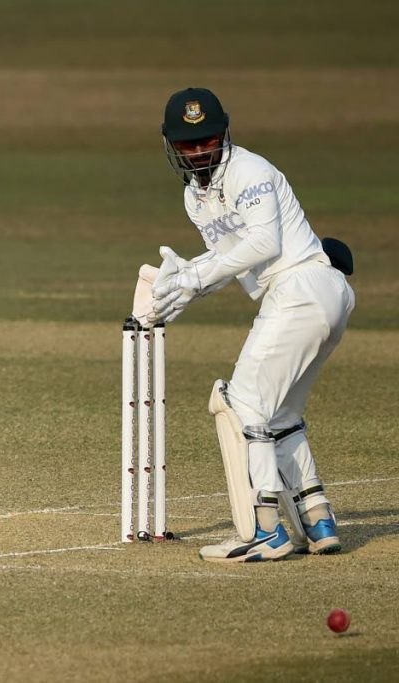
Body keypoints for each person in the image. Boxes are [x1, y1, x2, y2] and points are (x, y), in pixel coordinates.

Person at [149, 87, 354, 563]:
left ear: (224, 133)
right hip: (306, 296)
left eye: (207, 139)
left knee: (243, 403)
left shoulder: (250, 171)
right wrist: (186, 282)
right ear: (171, 144)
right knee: (279, 414)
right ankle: (318, 520)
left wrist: (197, 276)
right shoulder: (194, 198)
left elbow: (263, 242)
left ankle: (267, 531)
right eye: (187, 142)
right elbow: (231, 257)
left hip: (303, 286)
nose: (199, 149)